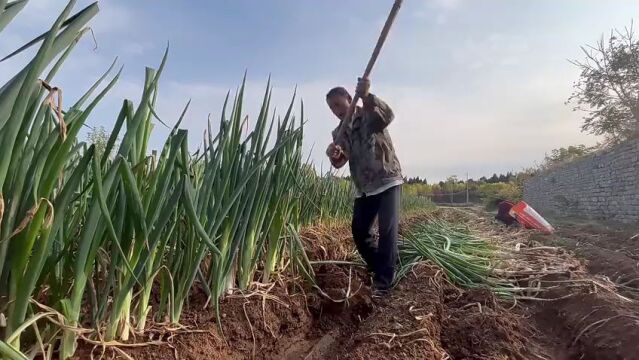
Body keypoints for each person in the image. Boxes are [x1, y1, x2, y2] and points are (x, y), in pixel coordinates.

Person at [325, 78, 403, 295]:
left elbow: (388, 116)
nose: (336, 110)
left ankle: (384, 283)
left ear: (350, 99)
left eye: (339, 104)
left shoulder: (368, 114)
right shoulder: (339, 132)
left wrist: (368, 95)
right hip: (365, 186)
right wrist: (335, 154)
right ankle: (380, 266)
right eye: (332, 107)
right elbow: (340, 161)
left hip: (387, 179)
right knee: (359, 231)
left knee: (387, 230)